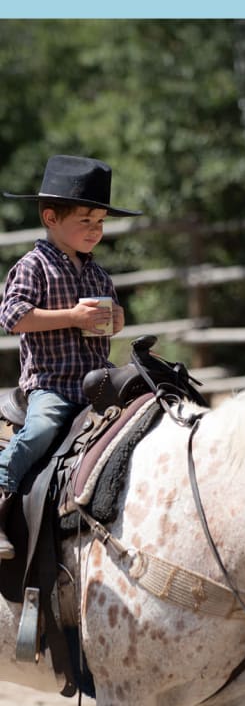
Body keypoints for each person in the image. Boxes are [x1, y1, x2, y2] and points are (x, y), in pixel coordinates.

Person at [0, 154, 142, 559]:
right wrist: (72, 316)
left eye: (100, 222)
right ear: (51, 217)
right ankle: (1, 491)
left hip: (98, 378)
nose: (96, 230)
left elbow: (112, 318)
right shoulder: (32, 267)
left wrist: (115, 319)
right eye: (86, 221)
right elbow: (14, 316)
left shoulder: (98, 273)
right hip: (53, 384)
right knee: (42, 430)